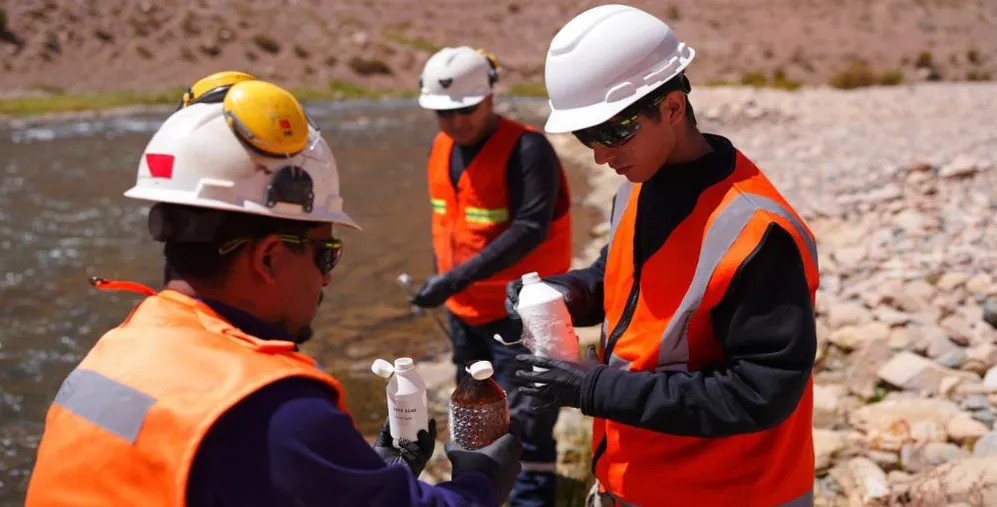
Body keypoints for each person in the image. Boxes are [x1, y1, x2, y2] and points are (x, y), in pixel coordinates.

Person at [25, 75, 522, 507]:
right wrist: (480, 481)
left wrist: (370, 472)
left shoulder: (121, 346)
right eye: (325, 253)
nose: (327, 277)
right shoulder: (272, 406)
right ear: (267, 258)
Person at [505, 5, 820, 507]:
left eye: (614, 132)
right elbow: (622, 275)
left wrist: (595, 390)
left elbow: (761, 391)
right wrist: (567, 292)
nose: (600, 155)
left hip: (731, 494)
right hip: (636, 478)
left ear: (672, 108)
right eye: (587, 136)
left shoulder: (758, 233)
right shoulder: (638, 186)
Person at [411, 46, 573, 507]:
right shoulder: (441, 149)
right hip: (464, 313)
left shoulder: (527, 149)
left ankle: (532, 500)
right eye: (444, 113)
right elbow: (450, 224)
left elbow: (530, 227)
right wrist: (445, 284)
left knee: (526, 419)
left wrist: (452, 278)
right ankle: (480, 494)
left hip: (520, 317)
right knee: (474, 412)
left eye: (465, 109)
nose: (456, 122)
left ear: (490, 97)